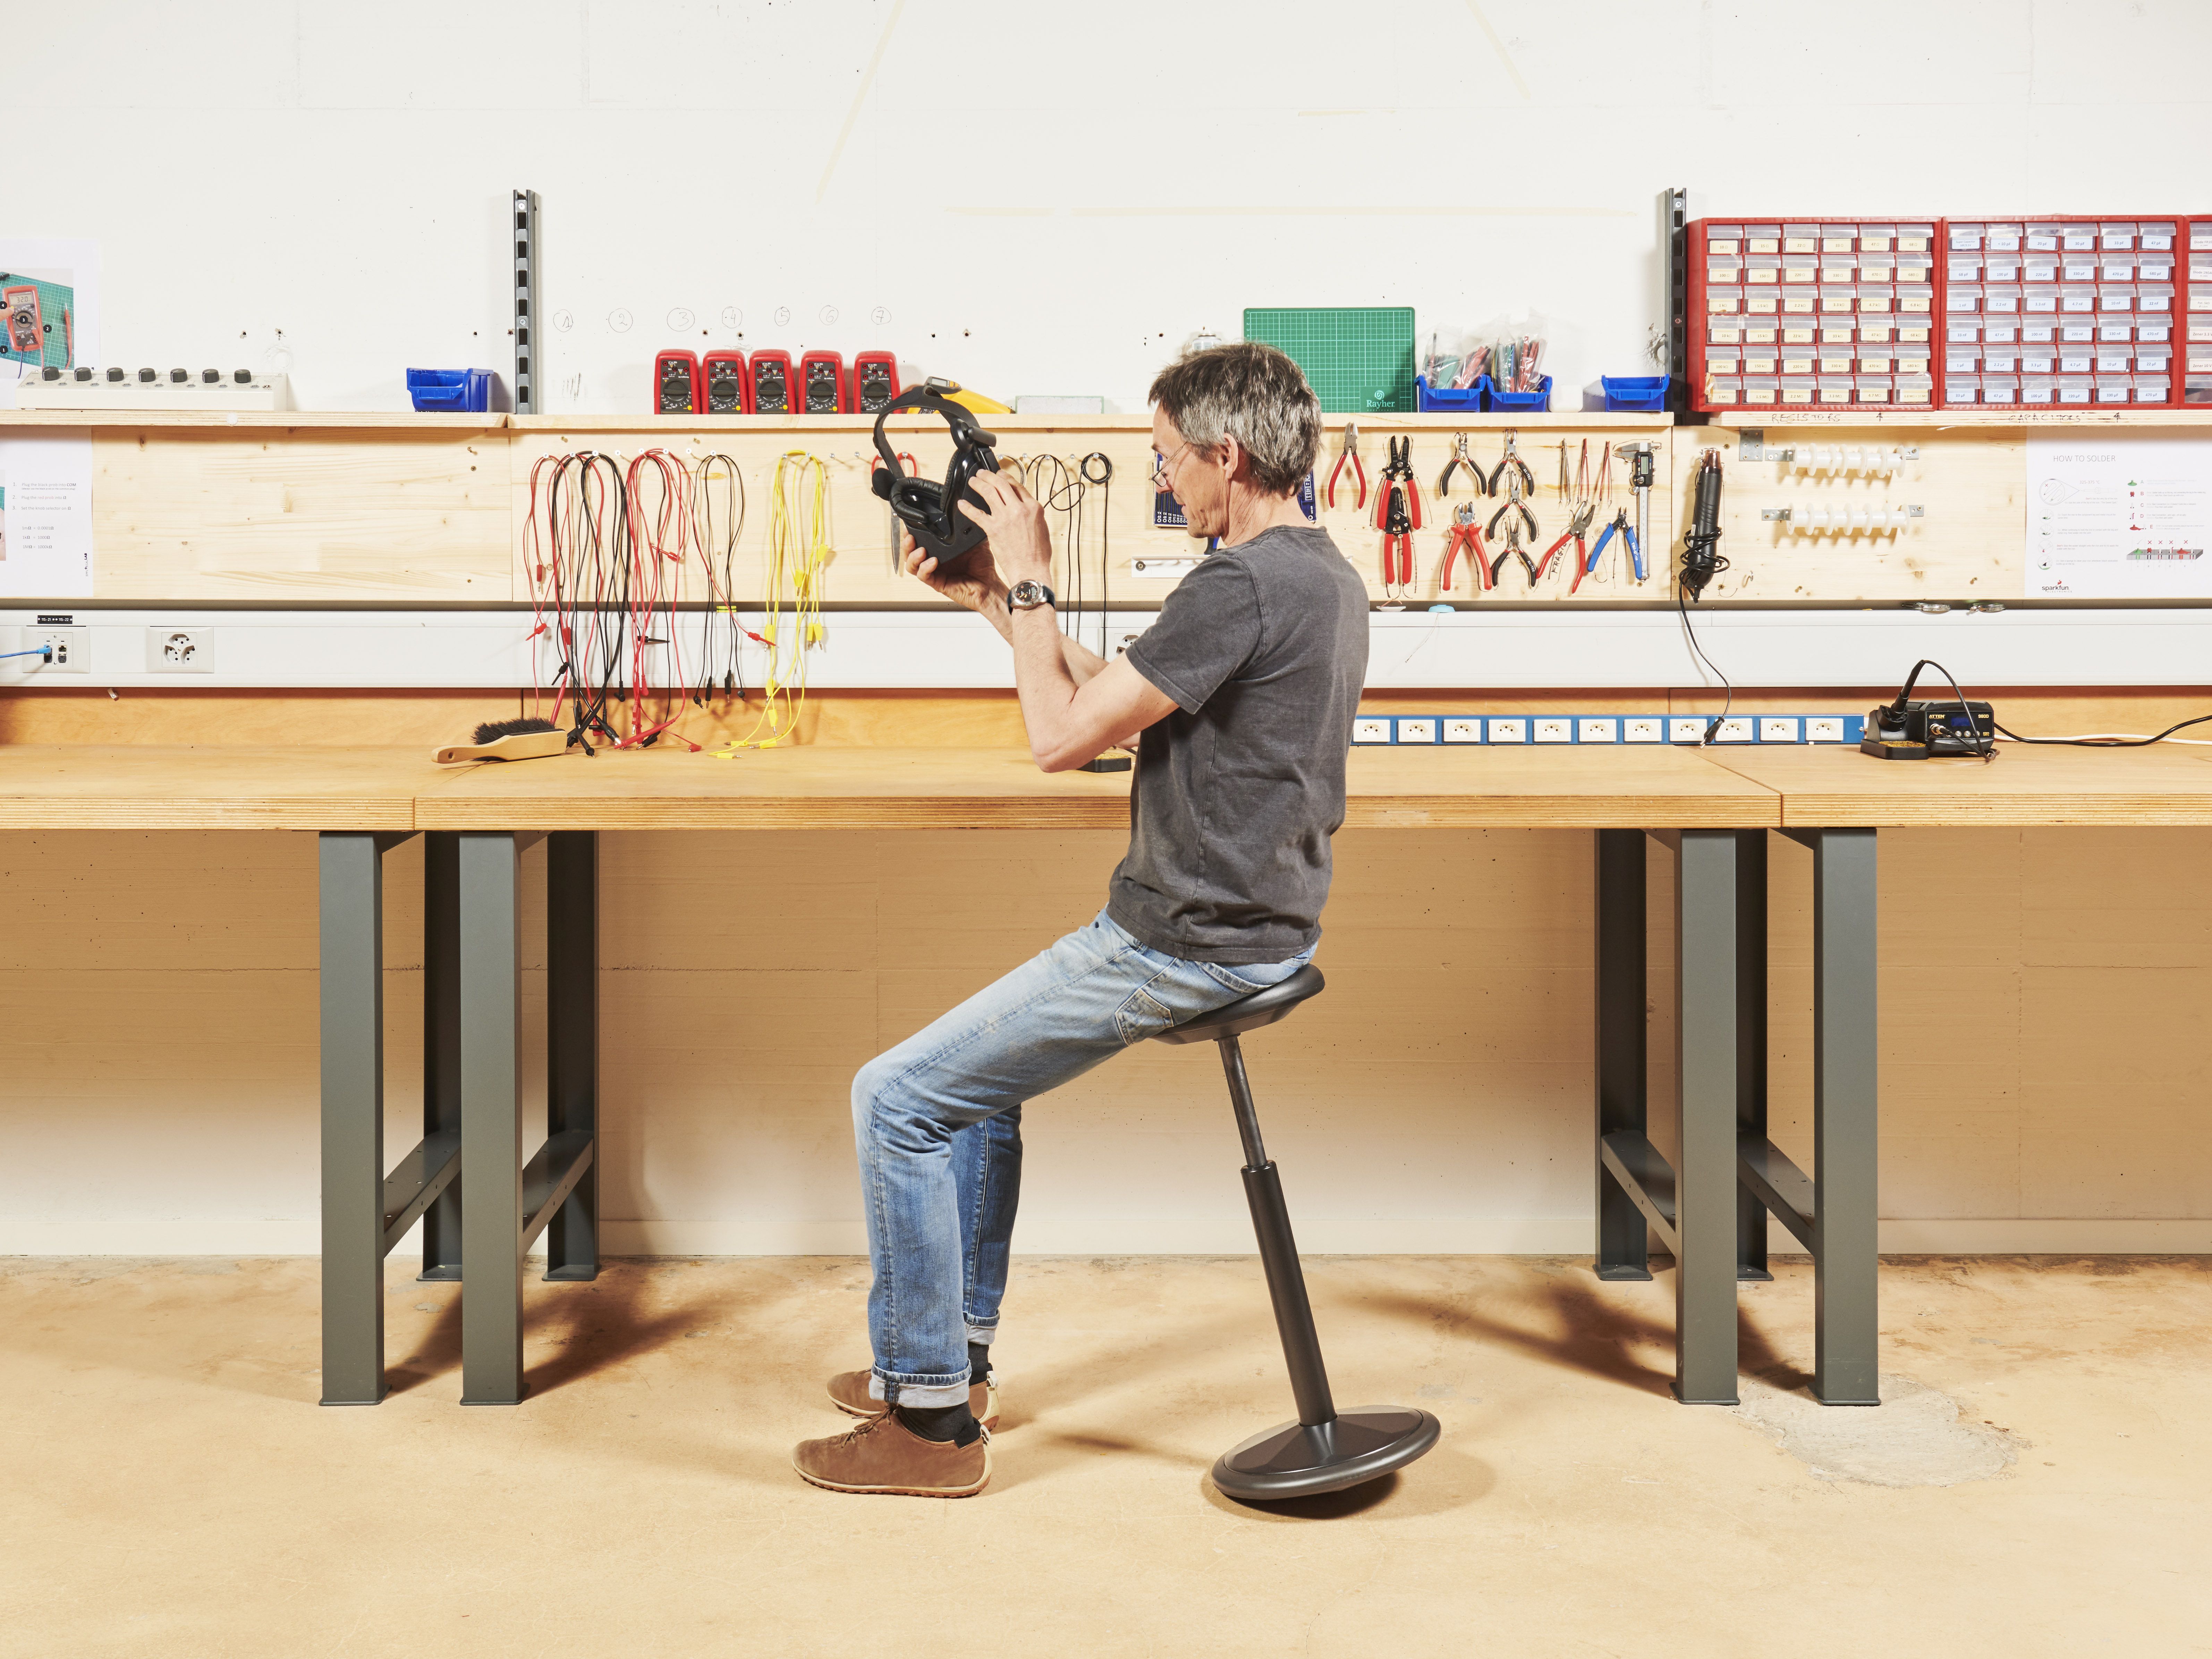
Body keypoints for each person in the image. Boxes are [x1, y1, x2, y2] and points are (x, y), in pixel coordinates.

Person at [791, 341, 1369, 1498]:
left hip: (1181, 943)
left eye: (1170, 463)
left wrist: (1036, 571)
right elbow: (1108, 703)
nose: (1167, 484)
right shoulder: (1319, 576)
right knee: (973, 1094)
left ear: (1229, 455)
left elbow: (1059, 743)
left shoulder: (1242, 584)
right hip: (1247, 924)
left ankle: (929, 1431)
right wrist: (994, 601)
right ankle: (947, 1363)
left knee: (895, 1099)